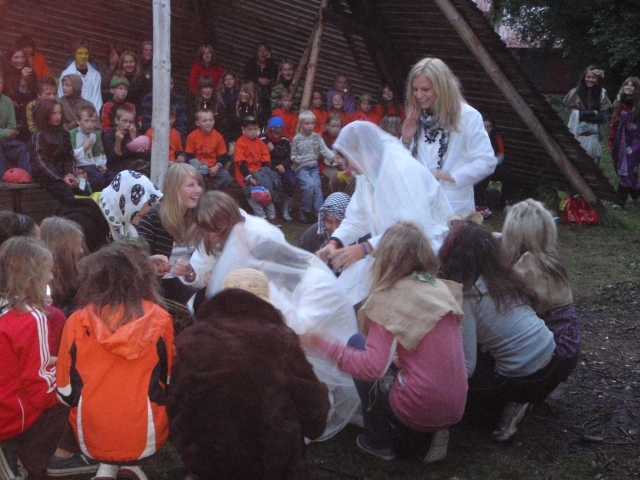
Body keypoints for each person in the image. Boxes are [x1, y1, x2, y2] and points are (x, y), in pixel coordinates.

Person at [179, 191, 360, 439]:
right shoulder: (280, 272)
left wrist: (264, 289)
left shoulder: (316, 284)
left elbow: (300, 331)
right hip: (304, 339)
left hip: (326, 352)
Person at [303, 221, 467, 463]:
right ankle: (426, 432)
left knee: (357, 343)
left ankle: (379, 440)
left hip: (418, 406)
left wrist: (322, 343)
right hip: (455, 405)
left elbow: (370, 368)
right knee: (389, 361)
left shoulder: (390, 296)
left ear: (385, 257)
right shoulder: (438, 288)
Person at [168, 268, 330, 479]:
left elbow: (175, 399)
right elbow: (312, 403)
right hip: (267, 462)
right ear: (264, 301)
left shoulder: (191, 339)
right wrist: (312, 428)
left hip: (204, 458)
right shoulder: (279, 340)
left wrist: (186, 442)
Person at [56, 240, 173, 480]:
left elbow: (64, 390)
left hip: (91, 434)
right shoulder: (161, 319)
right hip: (146, 434)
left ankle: (106, 468)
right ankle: (133, 467)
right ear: (143, 279)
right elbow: (169, 378)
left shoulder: (76, 321)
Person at [439, 221, 565, 441]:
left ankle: (510, 406)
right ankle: (523, 397)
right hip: (552, 357)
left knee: (468, 405)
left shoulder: (468, 296)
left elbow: (467, 367)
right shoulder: (503, 278)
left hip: (524, 375)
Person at [317, 121, 452, 305]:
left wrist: (364, 249)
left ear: (368, 152)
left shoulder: (405, 171)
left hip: (425, 254)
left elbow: (413, 231)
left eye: (348, 158)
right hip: (390, 250)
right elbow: (357, 218)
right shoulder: (366, 173)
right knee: (342, 291)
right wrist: (335, 241)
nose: (346, 166)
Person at [0, 237, 96, 480]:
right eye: (49, 271)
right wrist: (70, 371)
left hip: (5, 403)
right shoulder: (31, 318)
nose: (52, 277)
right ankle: (51, 458)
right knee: (81, 389)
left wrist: (51, 362)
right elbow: (40, 391)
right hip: (13, 417)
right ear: (31, 277)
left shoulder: (6, 310)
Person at [401, 57, 496, 215]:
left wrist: (451, 176)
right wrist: (406, 139)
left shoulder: (467, 116)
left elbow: (486, 161)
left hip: (453, 208)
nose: (419, 95)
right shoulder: (416, 116)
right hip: (419, 206)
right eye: (415, 89)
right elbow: (400, 164)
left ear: (442, 87)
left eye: (425, 89)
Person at [502, 199, 581, 379]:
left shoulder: (527, 266)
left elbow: (504, 308)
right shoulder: (547, 259)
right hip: (568, 347)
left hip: (553, 356)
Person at [137, 163, 204, 304]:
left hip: (189, 283)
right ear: (175, 188)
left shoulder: (199, 217)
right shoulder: (154, 217)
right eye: (191, 185)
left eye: (199, 185)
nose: (198, 190)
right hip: (160, 287)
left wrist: (190, 273)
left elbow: (201, 265)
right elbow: (138, 258)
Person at [29, 99, 79, 204]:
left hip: (63, 173)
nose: (57, 117)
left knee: (81, 189)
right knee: (68, 196)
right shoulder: (38, 135)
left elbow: (69, 157)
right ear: (46, 114)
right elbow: (41, 162)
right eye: (53, 113)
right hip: (46, 175)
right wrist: (60, 178)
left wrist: (69, 174)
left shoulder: (64, 133)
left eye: (59, 113)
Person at [291, 110, 335, 223]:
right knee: (309, 185)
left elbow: (325, 150)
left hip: (314, 167)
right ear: (300, 125)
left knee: (317, 186)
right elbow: (293, 154)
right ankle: (304, 211)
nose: (310, 126)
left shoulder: (317, 137)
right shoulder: (297, 139)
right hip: (301, 167)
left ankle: (320, 213)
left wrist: (334, 157)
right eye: (307, 123)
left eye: (312, 123)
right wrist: (294, 159)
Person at [234, 116, 280, 223]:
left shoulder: (260, 143)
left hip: (260, 174)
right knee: (255, 193)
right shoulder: (240, 143)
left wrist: (265, 179)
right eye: (250, 129)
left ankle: (272, 216)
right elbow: (241, 164)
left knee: (267, 190)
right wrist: (250, 179)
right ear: (243, 130)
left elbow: (266, 163)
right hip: (245, 176)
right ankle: (262, 217)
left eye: (255, 129)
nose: (253, 132)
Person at [98, 170, 163, 241]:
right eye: (143, 201)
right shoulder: (95, 220)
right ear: (127, 198)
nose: (147, 209)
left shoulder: (128, 227)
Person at [564, 65, 612, 161]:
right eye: (588, 77)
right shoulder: (575, 92)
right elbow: (572, 112)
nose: (590, 80)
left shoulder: (601, 93)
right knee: (577, 159)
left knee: (590, 161)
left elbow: (602, 116)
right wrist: (592, 112)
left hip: (593, 133)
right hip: (578, 131)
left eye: (593, 78)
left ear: (597, 79)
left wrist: (586, 115)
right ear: (584, 77)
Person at [40, 217, 86, 316]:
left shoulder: (77, 273)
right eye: (78, 244)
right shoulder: (42, 282)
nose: (81, 250)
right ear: (63, 248)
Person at [607, 77, 640, 209]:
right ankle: (636, 192)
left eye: (632, 85)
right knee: (622, 168)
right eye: (627, 84)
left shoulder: (638, 105)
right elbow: (614, 123)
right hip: (620, 142)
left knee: (625, 170)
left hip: (635, 144)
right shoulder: (619, 104)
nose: (628, 87)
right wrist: (611, 141)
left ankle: (619, 201)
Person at [184, 108, 232, 191]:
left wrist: (216, 167)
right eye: (204, 121)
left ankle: (212, 192)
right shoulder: (192, 136)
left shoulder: (218, 136)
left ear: (214, 121)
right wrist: (200, 168)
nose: (208, 123)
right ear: (197, 123)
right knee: (196, 179)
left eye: (210, 120)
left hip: (214, 167)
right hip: (197, 168)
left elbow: (222, 156)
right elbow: (189, 156)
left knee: (226, 178)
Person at [71, 104, 114, 192]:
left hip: (92, 165)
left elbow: (98, 154)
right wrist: (84, 148)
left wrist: (100, 164)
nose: (90, 124)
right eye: (86, 121)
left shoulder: (95, 135)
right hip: (79, 165)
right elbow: (72, 154)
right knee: (98, 177)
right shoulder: (73, 134)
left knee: (111, 176)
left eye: (93, 121)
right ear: (78, 121)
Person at [261, 115, 295, 221]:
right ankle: (274, 206)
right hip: (268, 168)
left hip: (283, 167)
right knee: (272, 182)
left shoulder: (285, 141)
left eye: (280, 128)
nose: (277, 131)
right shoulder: (262, 140)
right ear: (268, 128)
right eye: (274, 128)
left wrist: (283, 165)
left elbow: (289, 157)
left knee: (291, 181)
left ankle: (286, 207)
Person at [103, 105, 151, 174]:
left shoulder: (134, 133)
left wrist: (134, 138)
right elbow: (114, 159)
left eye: (131, 122)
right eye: (124, 121)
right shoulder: (110, 135)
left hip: (134, 164)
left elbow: (143, 155)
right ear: (117, 120)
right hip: (117, 168)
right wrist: (118, 141)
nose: (128, 124)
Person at [57, 39, 103, 113]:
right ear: (74, 54)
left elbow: (97, 100)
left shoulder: (95, 75)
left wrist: (93, 117)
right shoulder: (66, 74)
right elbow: (61, 98)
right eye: (80, 53)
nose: (83, 56)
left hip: (89, 115)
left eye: (86, 53)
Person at [0, 72, 31, 177]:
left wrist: (7, 133)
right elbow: (9, 132)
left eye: (0, 82)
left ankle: (25, 178)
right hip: (4, 139)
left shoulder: (7, 101)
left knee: (22, 148)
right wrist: (6, 133)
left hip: (5, 142)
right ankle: (3, 182)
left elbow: (12, 129)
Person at [140, 76, 188, 142]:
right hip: (154, 135)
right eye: (166, 83)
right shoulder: (149, 98)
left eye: (171, 83)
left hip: (174, 135)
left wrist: (174, 136)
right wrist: (158, 135)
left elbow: (181, 122)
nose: (169, 86)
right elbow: (147, 122)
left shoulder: (178, 99)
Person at [2, 47, 37, 134]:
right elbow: (13, 98)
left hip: (27, 113)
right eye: (16, 57)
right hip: (9, 113)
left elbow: (31, 96)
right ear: (10, 59)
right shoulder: (5, 75)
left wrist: (23, 80)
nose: (20, 60)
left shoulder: (31, 74)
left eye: (22, 57)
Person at [474, 113, 506, 208]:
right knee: (481, 178)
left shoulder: (496, 136)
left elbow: (501, 155)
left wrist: (490, 164)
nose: (487, 130)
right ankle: (478, 205)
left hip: (492, 165)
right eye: (484, 127)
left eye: (489, 127)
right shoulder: (474, 136)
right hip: (477, 166)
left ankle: (504, 202)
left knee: (507, 173)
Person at [243, 43, 278, 123]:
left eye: (265, 51)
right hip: (254, 92)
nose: (262, 53)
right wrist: (258, 79)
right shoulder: (251, 64)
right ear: (256, 53)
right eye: (260, 51)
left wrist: (269, 60)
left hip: (267, 92)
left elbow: (274, 75)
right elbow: (247, 75)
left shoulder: (271, 65)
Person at [115, 50, 151, 115]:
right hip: (120, 112)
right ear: (122, 64)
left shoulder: (142, 79)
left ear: (136, 62)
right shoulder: (117, 78)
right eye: (125, 62)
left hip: (138, 112)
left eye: (131, 61)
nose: (128, 65)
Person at [214, 70, 240, 146]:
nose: (229, 81)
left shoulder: (240, 92)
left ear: (235, 80)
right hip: (226, 122)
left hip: (237, 122)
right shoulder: (220, 93)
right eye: (226, 79)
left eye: (231, 79)